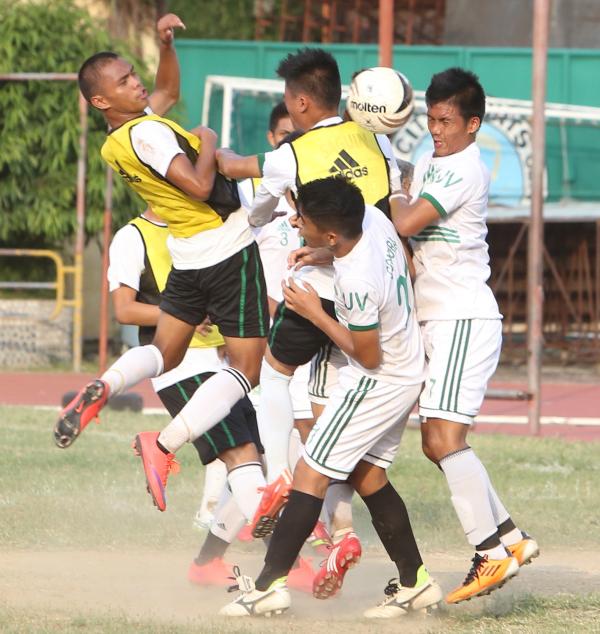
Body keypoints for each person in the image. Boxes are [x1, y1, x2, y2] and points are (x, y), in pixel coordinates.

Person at [54, 13, 269, 516]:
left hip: (189, 253)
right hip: (225, 244)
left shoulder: (121, 136)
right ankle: (165, 443)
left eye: (134, 73)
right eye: (125, 80)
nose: (138, 82)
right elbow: (197, 184)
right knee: (248, 369)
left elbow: (166, 91)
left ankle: (105, 384)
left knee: (167, 352)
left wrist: (164, 46)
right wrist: (210, 139)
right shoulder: (148, 136)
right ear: (101, 100)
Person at [217, 49, 400, 589]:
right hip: (379, 291)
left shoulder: (288, 153)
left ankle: (276, 481)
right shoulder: (376, 138)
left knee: (272, 376)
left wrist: (257, 205)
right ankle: (349, 537)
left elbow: (255, 210)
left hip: (319, 288)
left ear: (299, 102)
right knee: (329, 427)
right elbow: (388, 205)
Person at [220, 177, 442, 618]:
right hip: (407, 369)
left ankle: (268, 587)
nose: (297, 224)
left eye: (305, 221)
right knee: (368, 477)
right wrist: (325, 255)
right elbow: (365, 254)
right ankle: (416, 582)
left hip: (378, 380)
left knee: (309, 474)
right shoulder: (374, 218)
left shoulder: (357, 283)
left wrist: (315, 313)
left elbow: (366, 353)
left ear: (333, 232)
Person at [390, 67, 539, 604]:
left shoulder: (465, 169)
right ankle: (511, 540)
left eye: (447, 121)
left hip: (462, 319)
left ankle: (490, 555)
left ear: (473, 123)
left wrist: (389, 184)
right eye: (430, 119)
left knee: (441, 440)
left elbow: (405, 222)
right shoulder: (432, 160)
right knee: (439, 445)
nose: (436, 129)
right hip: (440, 318)